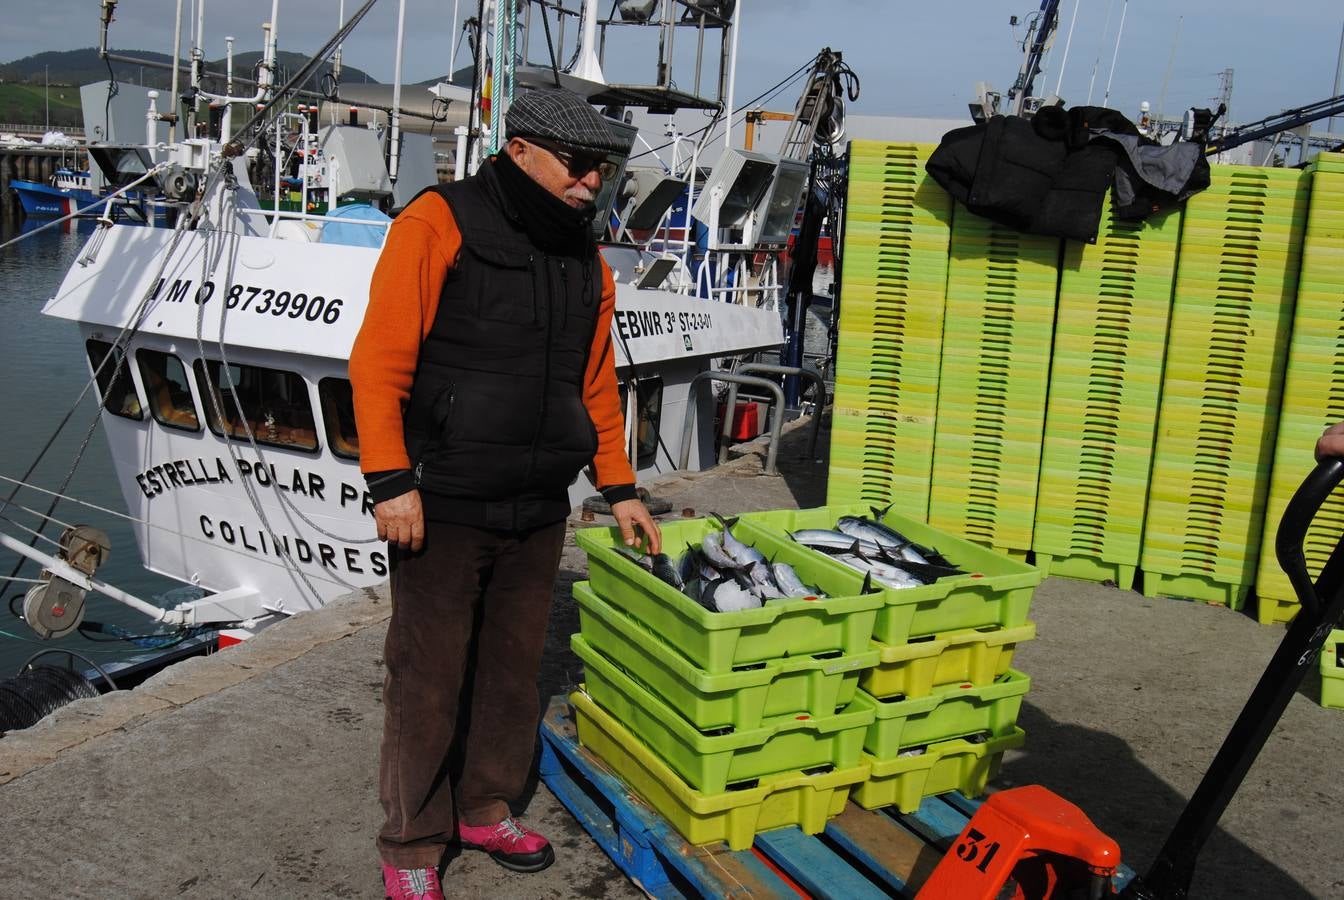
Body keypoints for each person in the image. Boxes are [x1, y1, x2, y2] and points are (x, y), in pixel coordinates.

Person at [349, 87, 662, 900]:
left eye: (604, 168)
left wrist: (620, 486)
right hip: (443, 498)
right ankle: (413, 843)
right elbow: (379, 360)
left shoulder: (586, 260)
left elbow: (594, 385)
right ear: (520, 149)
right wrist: (389, 480)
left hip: (538, 504)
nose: (593, 180)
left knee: (515, 670)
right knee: (427, 676)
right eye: (580, 163)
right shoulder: (438, 221)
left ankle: (485, 806)